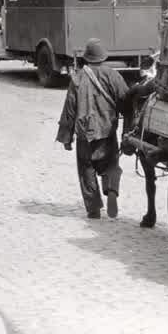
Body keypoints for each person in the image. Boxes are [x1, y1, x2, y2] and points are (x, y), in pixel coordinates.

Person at [55, 38, 132, 219]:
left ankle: (93, 209)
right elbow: (126, 102)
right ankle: (111, 191)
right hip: (107, 132)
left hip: (84, 135)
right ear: (103, 57)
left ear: (86, 58)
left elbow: (70, 109)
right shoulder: (113, 75)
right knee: (111, 165)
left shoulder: (77, 78)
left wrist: (66, 138)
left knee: (86, 170)